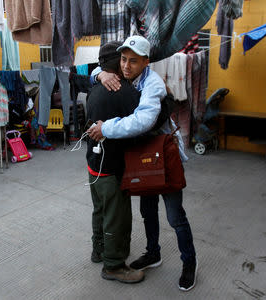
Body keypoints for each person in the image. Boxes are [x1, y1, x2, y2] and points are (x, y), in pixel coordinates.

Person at [87, 35, 198, 291]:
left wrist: (106, 128)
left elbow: (143, 121)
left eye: (133, 61)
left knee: (174, 216)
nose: (126, 66)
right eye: (123, 60)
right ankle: (153, 253)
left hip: (163, 155)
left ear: (146, 62)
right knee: (148, 212)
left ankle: (189, 263)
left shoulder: (153, 84)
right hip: (142, 158)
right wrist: (100, 75)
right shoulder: (124, 77)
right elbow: (98, 69)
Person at [86, 41, 144, 284]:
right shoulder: (127, 92)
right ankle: (114, 265)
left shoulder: (94, 89)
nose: (126, 64)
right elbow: (148, 121)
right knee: (116, 216)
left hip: (93, 165)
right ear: (118, 64)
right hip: (113, 169)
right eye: (123, 59)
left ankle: (98, 250)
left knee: (99, 210)